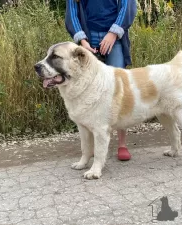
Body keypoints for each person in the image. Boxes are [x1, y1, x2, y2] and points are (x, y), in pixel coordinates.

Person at [65, 0, 137, 161]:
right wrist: (82, 42)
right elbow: (72, 13)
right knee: (87, 91)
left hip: (115, 39)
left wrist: (112, 34)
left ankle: (122, 144)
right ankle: (89, 148)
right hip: (87, 39)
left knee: (119, 91)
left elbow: (128, 6)